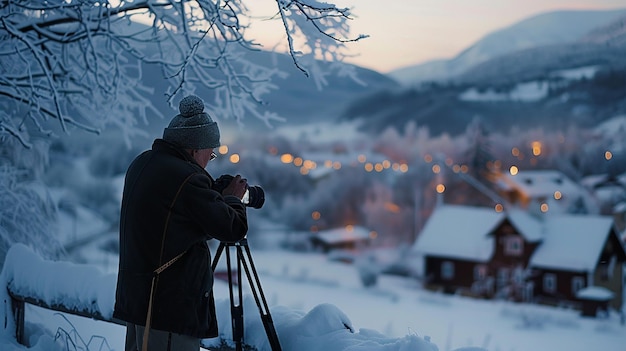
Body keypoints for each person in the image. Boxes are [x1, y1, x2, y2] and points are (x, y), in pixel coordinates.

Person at [113, 95, 249, 351]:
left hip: (140, 302)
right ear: (195, 148)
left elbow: (176, 224)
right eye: (211, 151)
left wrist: (213, 197)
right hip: (168, 309)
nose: (211, 158)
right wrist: (232, 200)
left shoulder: (144, 163)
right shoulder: (187, 179)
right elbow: (232, 228)